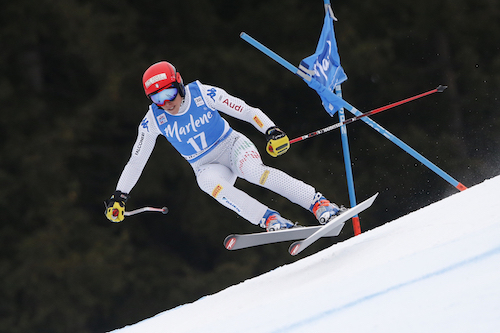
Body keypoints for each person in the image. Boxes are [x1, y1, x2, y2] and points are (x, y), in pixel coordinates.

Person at [105, 61, 343, 231]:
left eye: (169, 94)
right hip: (204, 165)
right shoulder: (153, 120)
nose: (166, 103)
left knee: (254, 172)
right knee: (206, 183)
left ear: (179, 85)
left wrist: (271, 131)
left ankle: (319, 203)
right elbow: (136, 161)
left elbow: (248, 111)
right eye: (157, 99)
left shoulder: (202, 93)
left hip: (232, 147)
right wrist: (120, 196)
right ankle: (270, 220)